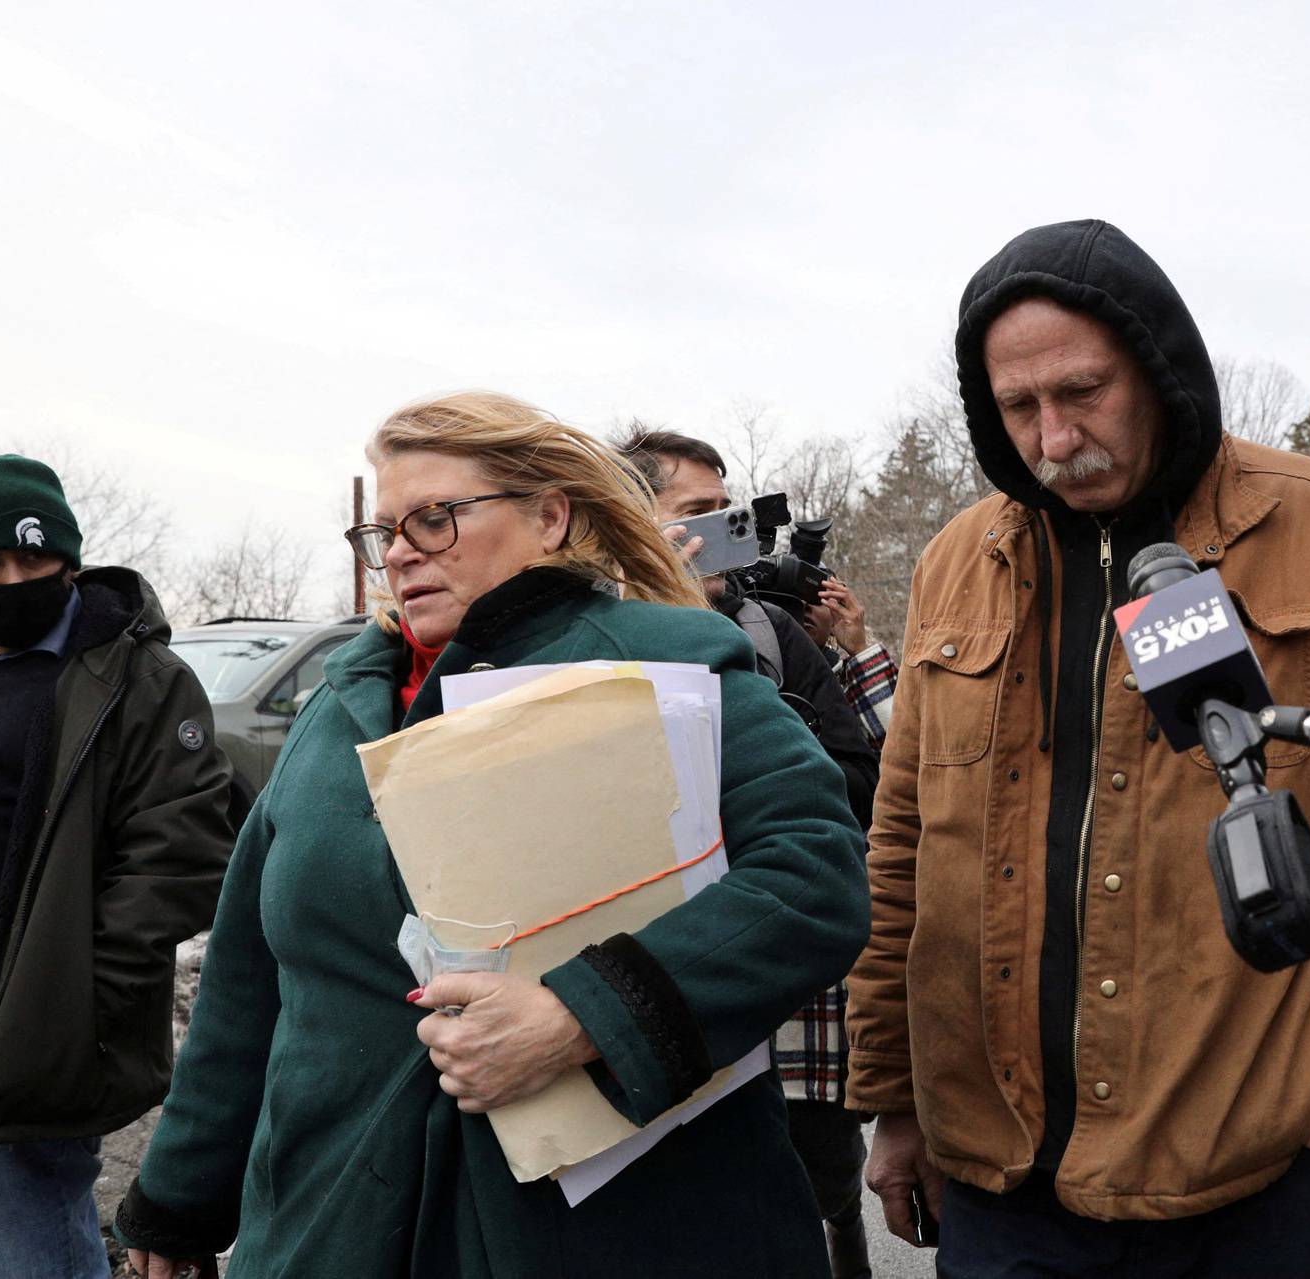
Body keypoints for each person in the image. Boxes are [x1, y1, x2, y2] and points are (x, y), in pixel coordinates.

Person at [846, 220, 1310, 1278]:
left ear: (1159, 370)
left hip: (1264, 1176)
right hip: (1000, 1181)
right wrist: (895, 1099)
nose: (1056, 437)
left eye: (1083, 392)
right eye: (1020, 407)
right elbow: (901, 853)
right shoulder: (954, 565)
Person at [114, 393, 869, 1278]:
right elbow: (248, 976)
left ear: (551, 518)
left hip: (616, 1231)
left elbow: (811, 877)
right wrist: (179, 1199)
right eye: (383, 530)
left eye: (434, 519)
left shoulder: (670, 660)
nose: (398, 551)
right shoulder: (336, 709)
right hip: (333, 1219)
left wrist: (584, 1014)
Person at [0, 454, 235, 1279]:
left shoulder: (135, 678)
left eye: (34, 558)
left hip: (26, 1046)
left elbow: (181, 851)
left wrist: (78, 999)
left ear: (69, 559)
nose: (13, 578)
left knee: (25, 1250)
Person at [618, 425, 879, 1279]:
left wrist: (766, 763)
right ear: (632, 519)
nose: (721, 531)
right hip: (637, 986)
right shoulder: (586, 638)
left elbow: (859, 778)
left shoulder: (768, 633)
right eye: (696, 513)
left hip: (786, 998)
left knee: (813, 1185)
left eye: (725, 511)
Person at [804, 577, 898, 751]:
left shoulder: (851, 682)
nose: (804, 607)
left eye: (815, 599)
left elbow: (900, 746)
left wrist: (860, 649)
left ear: (835, 620)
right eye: (792, 600)